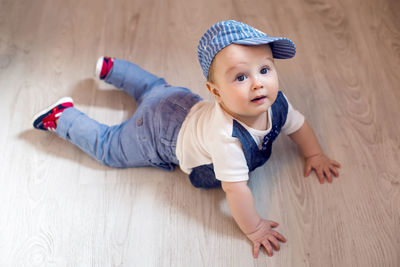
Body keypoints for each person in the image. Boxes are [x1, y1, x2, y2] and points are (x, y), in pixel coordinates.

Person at [32, 20, 341, 258]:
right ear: (217, 93)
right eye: (241, 77)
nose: (258, 85)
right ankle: (63, 117)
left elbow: (298, 125)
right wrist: (256, 227)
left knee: (154, 88)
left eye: (264, 69)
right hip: (156, 135)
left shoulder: (278, 103)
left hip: (181, 101)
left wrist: (314, 154)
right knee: (110, 147)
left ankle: (114, 69)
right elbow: (236, 192)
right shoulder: (228, 140)